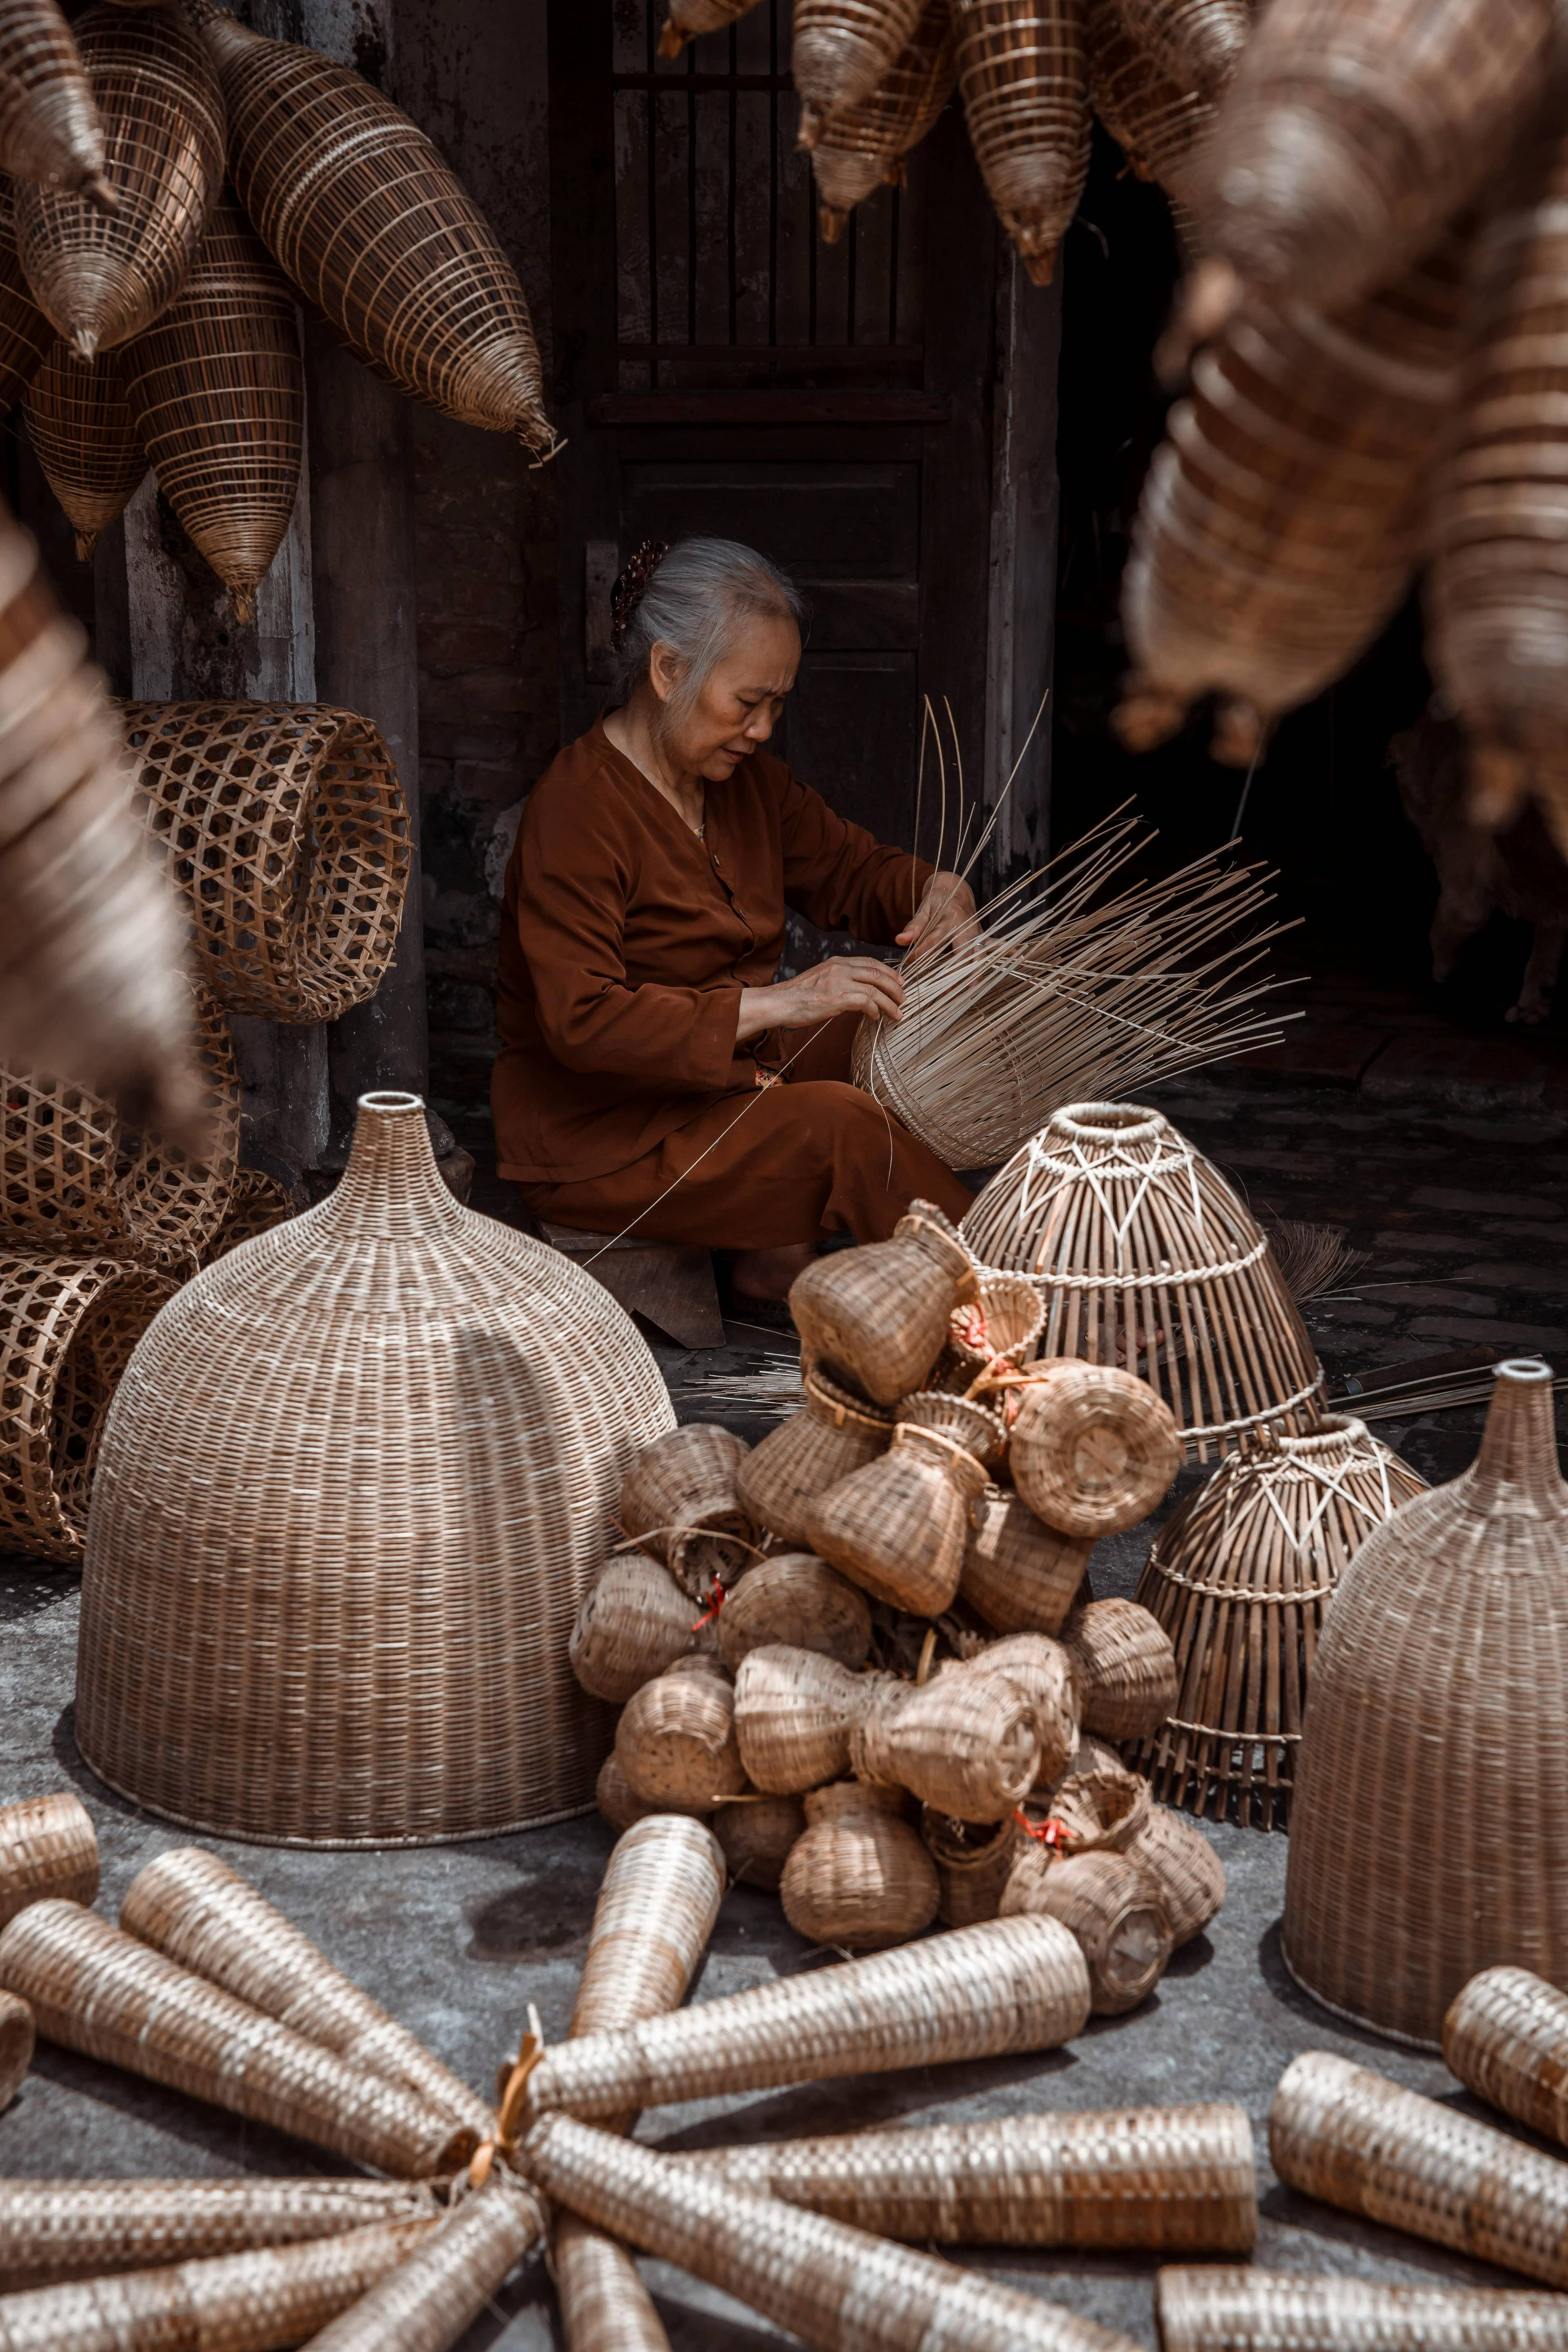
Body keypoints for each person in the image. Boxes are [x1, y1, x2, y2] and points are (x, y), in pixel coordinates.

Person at [492, 535, 978, 1305]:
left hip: (730, 1081)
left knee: (899, 1022)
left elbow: (852, 870)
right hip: (608, 1138)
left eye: (778, 704)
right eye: (747, 703)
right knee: (839, 1125)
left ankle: (778, 1259)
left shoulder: (746, 785)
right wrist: (787, 1001)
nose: (762, 729)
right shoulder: (578, 810)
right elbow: (583, 1022)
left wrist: (932, 889)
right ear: (667, 671)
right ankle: (1027, 1302)